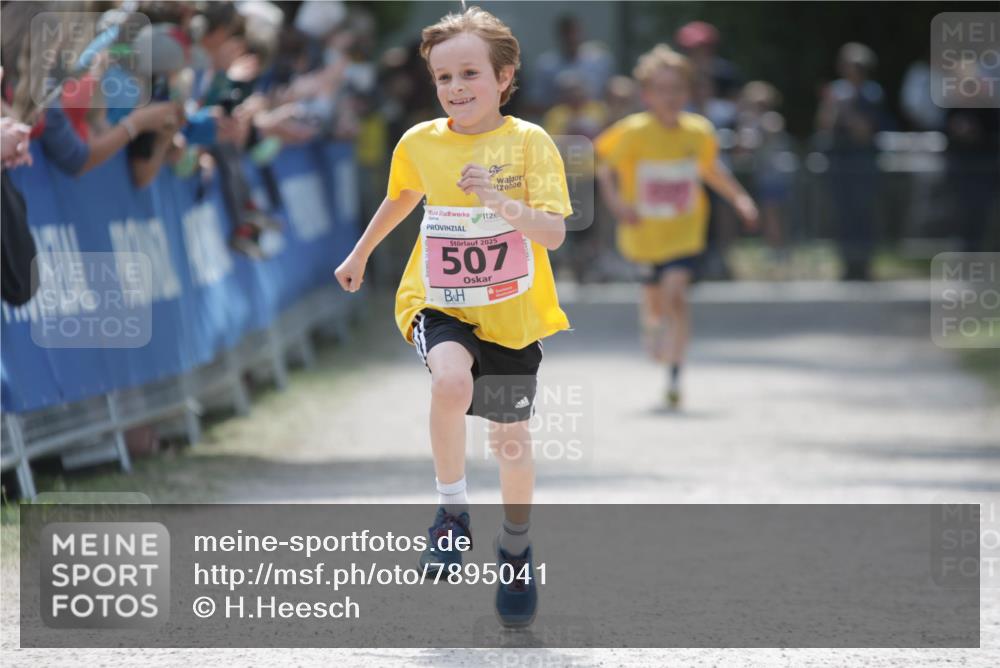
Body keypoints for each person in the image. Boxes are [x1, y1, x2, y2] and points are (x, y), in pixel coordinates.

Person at [333, 6, 571, 628]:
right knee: (449, 382)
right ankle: (451, 511)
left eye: (470, 73)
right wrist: (359, 253)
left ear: (503, 77)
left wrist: (499, 200)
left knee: (510, 442)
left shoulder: (529, 143)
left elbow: (552, 233)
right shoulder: (420, 142)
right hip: (437, 299)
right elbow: (401, 196)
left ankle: (515, 548)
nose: (456, 87)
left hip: (512, 316)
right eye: (444, 77)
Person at [595, 45, 758, 408]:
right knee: (655, 304)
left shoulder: (698, 131)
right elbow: (603, 166)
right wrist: (618, 203)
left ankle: (675, 374)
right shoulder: (634, 132)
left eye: (677, 89)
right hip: (644, 236)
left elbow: (713, 171)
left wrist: (740, 199)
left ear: (688, 92)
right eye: (661, 90)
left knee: (676, 295)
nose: (670, 97)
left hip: (685, 233)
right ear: (647, 94)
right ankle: (653, 328)